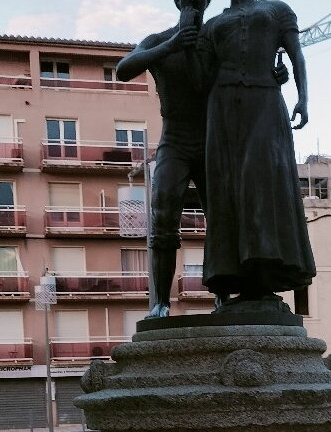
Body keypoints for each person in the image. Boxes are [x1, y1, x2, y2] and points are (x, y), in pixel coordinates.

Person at [198, 0, 315, 305]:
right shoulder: (212, 24)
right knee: (227, 188)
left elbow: (297, 54)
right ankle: (239, 278)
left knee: (259, 180)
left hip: (265, 99)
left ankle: (265, 271)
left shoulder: (277, 9)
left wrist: (303, 98)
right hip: (222, 105)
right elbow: (201, 75)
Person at [116, 1, 210, 319]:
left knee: (220, 218)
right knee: (163, 217)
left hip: (210, 141)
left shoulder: (214, 39)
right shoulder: (159, 40)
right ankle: (161, 303)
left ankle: (223, 294)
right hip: (174, 141)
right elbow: (124, 70)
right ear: (178, 3)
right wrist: (173, 44)